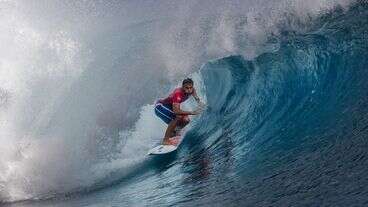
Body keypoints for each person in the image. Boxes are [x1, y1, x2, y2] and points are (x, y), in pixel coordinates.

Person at [154, 78, 204, 145]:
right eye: (187, 88)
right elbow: (176, 111)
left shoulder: (192, 90)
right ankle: (165, 140)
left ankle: (174, 132)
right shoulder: (178, 93)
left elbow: (197, 99)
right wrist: (192, 112)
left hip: (170, 107)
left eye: (190, 87)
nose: (189, 90)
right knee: (177, 117)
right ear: (183, 87)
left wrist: (201, 104)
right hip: (160, 107)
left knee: (186, 120)